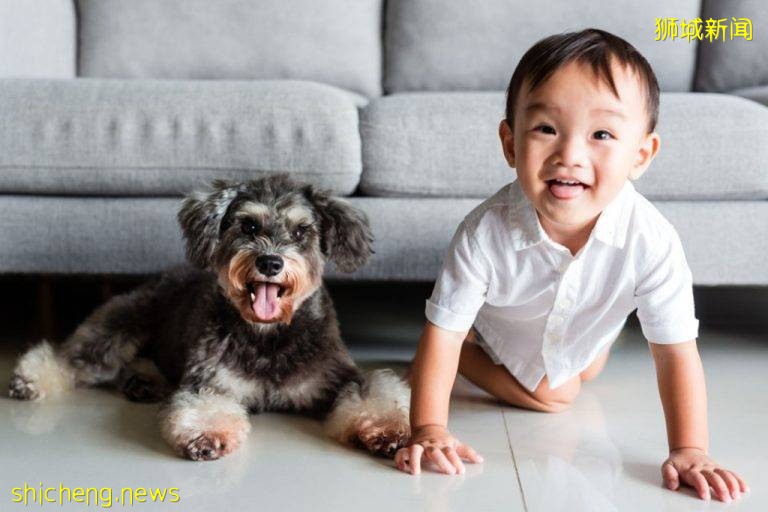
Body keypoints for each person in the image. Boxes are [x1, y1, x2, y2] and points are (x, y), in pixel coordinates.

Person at [395, 28, 748, 503]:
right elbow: (443, 333)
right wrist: (429, 426)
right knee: (558, 395)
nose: (570, 155)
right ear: (510, 143)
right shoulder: (484, 232)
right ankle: (466, 365)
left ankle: (583, 348)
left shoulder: (652, 239)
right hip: (508, 327)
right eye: (546, 129)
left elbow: (676, 351)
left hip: (586, 325)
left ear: (640, 155)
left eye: (602, 134)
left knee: (589, 366)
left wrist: (689, 449)